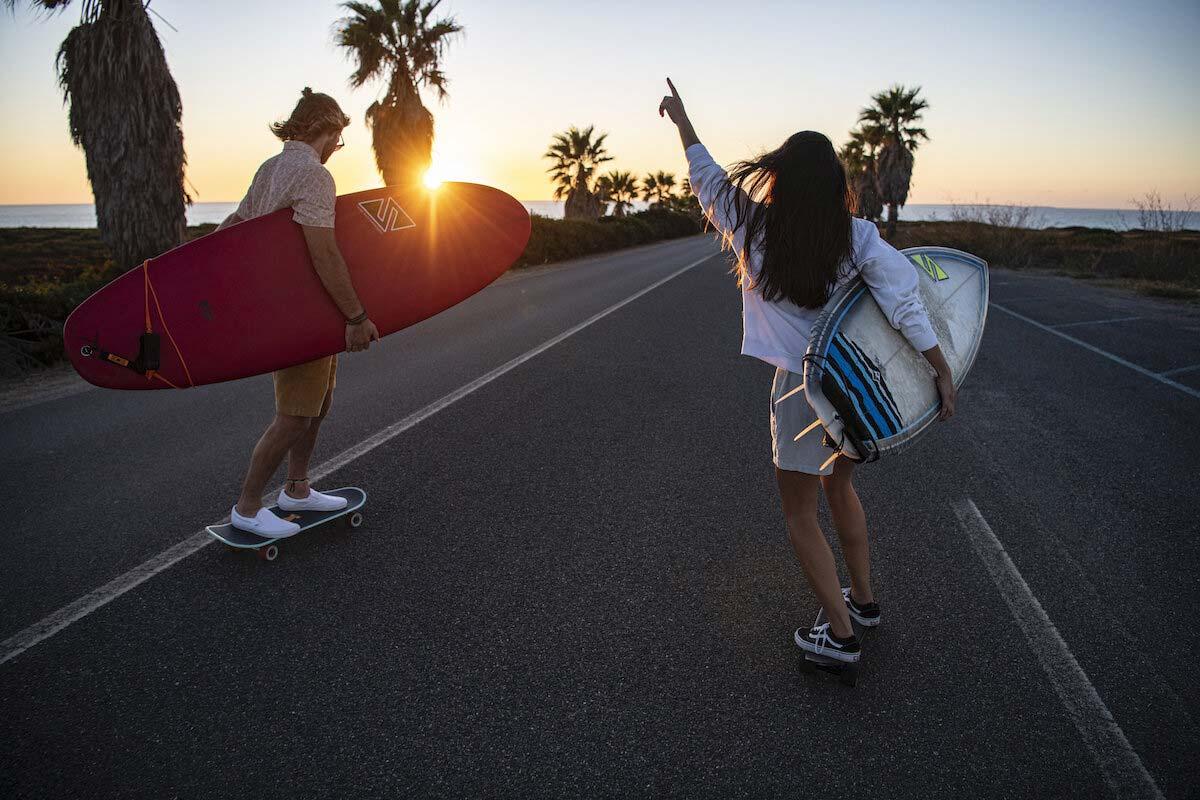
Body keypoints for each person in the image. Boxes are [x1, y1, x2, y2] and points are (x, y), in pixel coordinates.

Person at [658, 78, 956, 663]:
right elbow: (905, 302)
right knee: (838, 483)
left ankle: (841, 637)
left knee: (799, 513)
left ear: (781, 177)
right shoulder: (860, 236)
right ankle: (864, 602)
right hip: (858, 389)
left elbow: (706, 177)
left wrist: (683, 121)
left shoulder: (753, 225)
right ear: (836, 184)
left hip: (801, 390)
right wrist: (940, 370)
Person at [216, 88, 380, 537]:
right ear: (325, 130)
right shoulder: (313, 175)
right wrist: (356, 315)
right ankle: (248, 508)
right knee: (295, 415)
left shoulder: (270, 168)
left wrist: (195, 263)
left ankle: (298, 489)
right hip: (300, 312)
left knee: (317, 403)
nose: (336, 151)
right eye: (338, 139)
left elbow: (235, 224)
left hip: (292, 308)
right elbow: (324, 253)